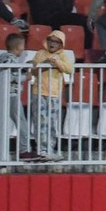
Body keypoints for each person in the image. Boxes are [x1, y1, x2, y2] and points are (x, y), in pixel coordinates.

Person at [28, 27, 75, 156]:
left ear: (61, 44)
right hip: (39, 93)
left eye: (56, 42)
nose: (52, 44)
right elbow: (34, 71)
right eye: (50, 40)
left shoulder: (63, 55)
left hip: (54, 94)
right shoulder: (40, 53)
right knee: (40, 122)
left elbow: (70, 69)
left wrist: (57, 62)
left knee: (52, 123)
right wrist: (45, 63)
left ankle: (50, 148)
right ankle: (41, 149)